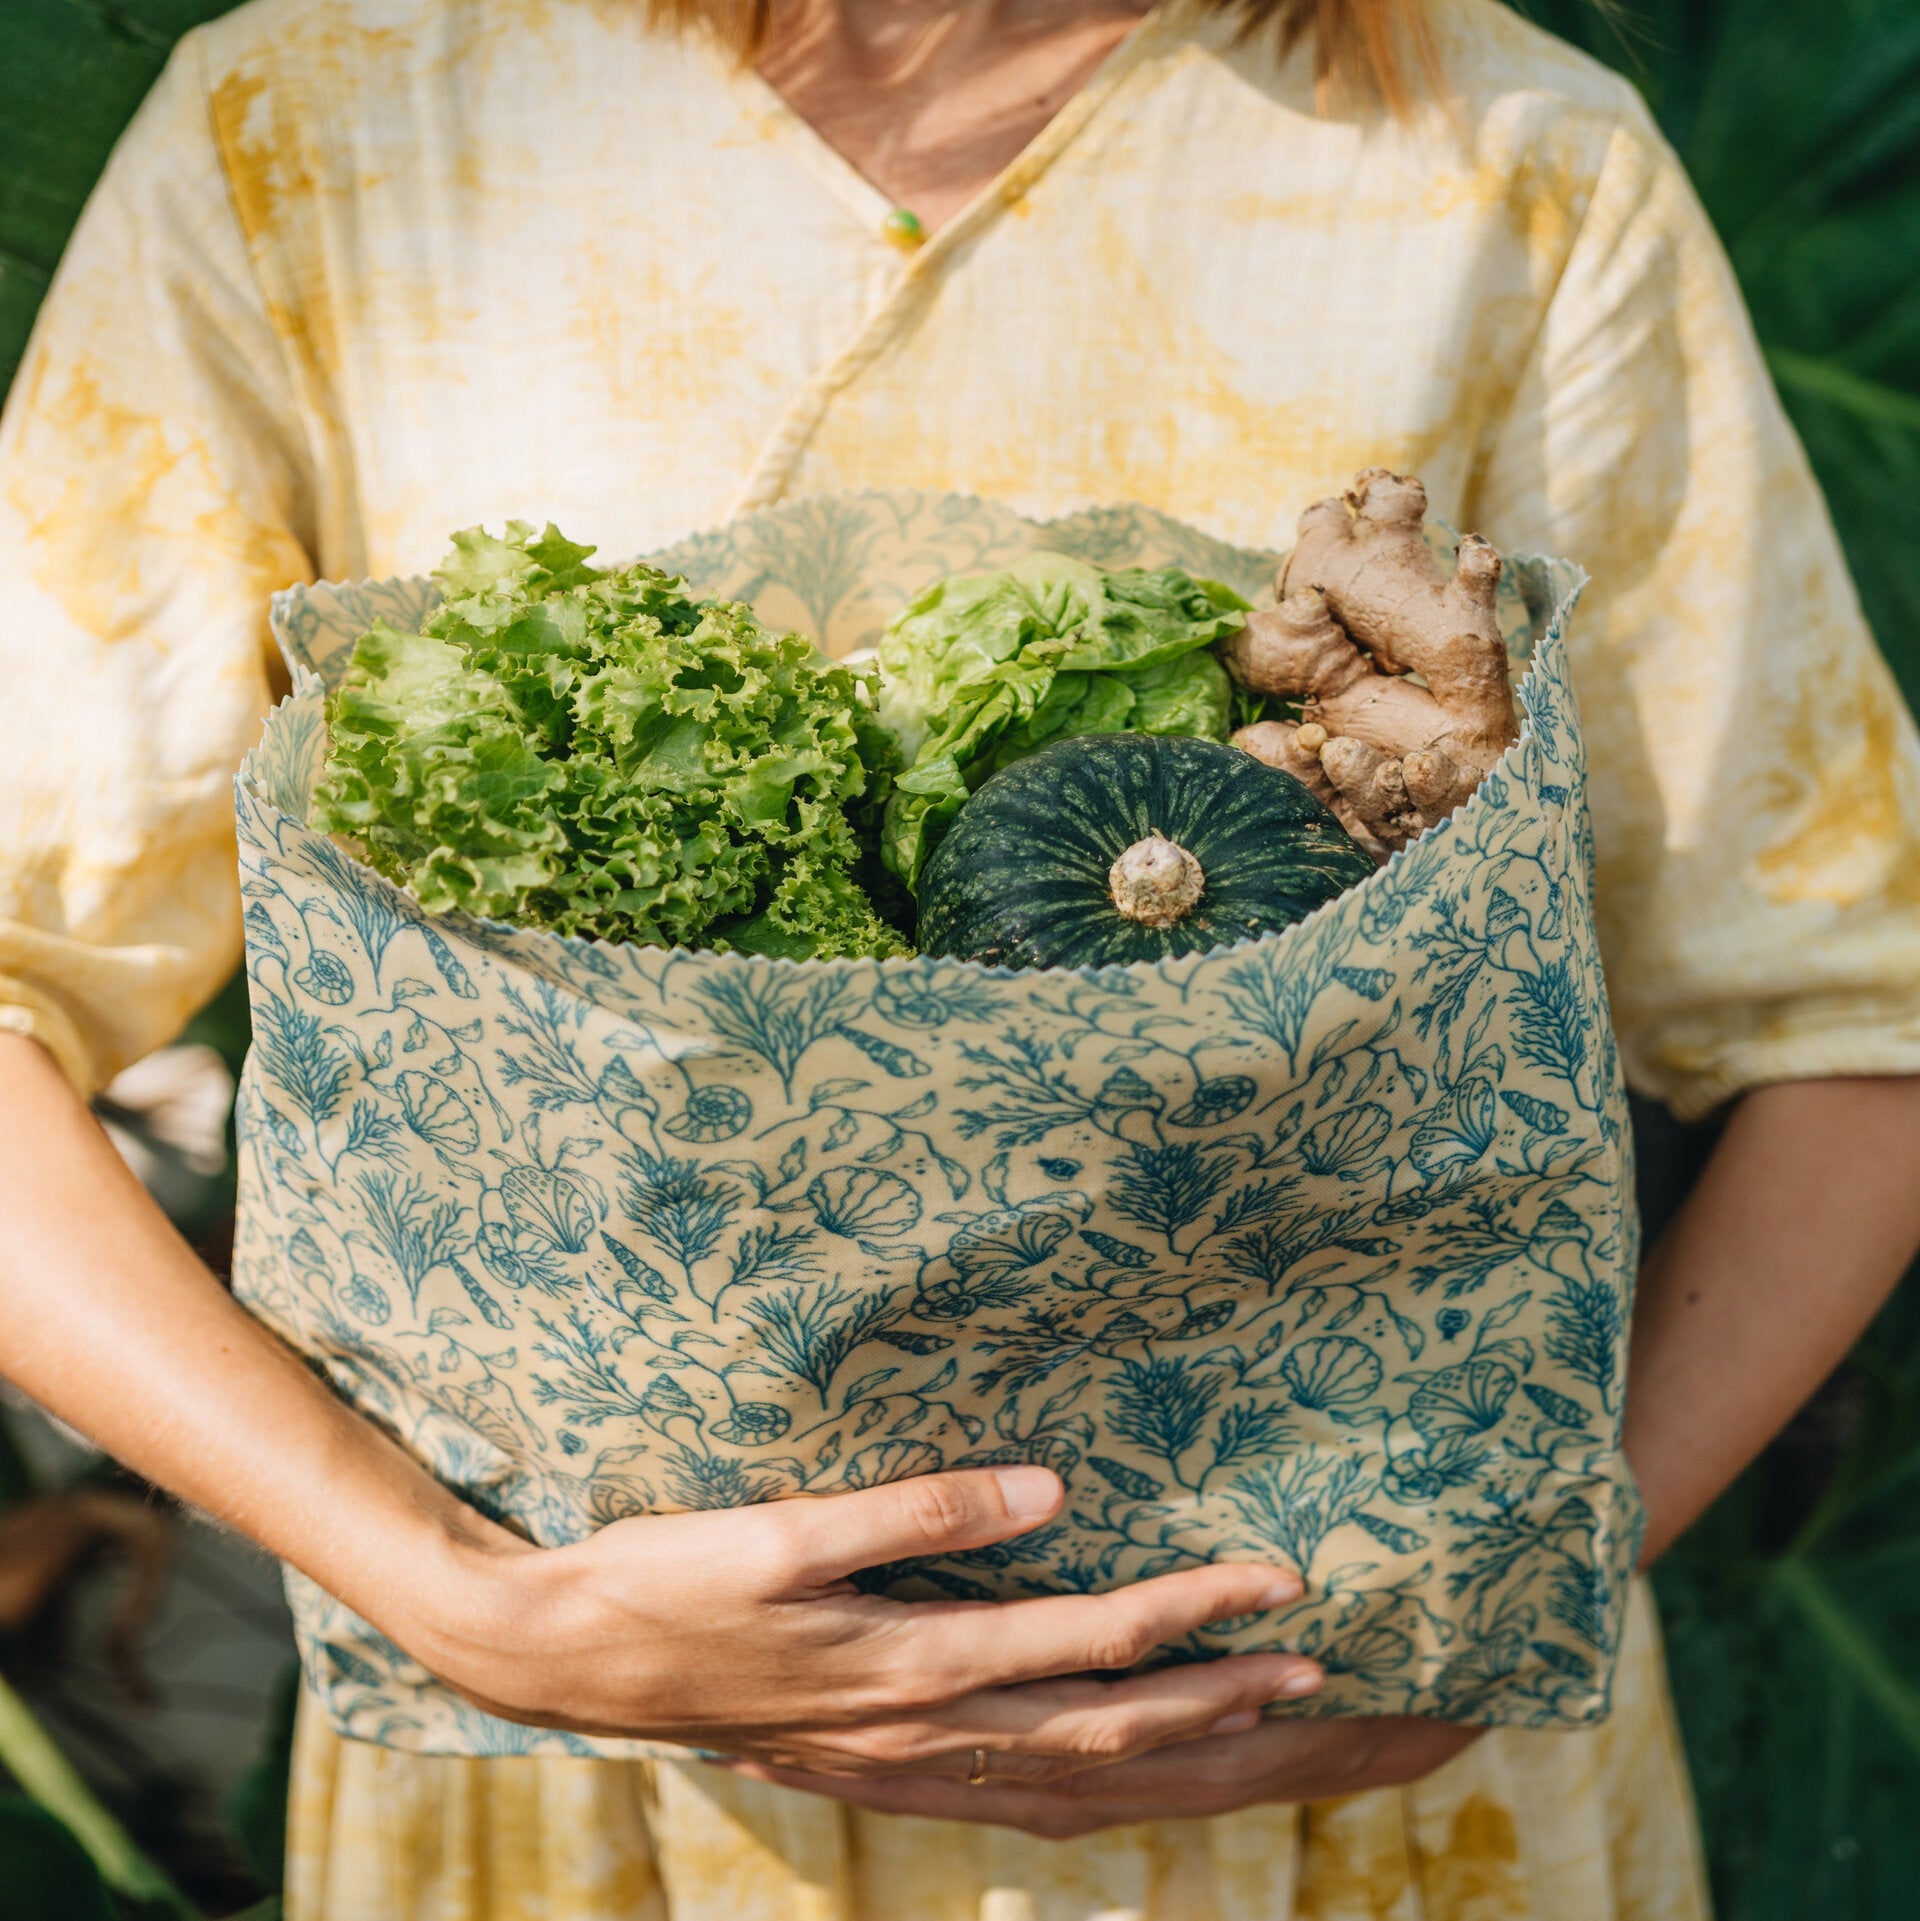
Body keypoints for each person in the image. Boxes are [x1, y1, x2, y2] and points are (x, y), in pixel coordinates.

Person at [4, 0, 1919, 1913]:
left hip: (1335, 1794)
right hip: (596, 1804)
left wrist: (1513, 1588)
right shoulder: (329, 119)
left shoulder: (1507, 160)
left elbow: (1863, 1021)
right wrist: (464, 1597)